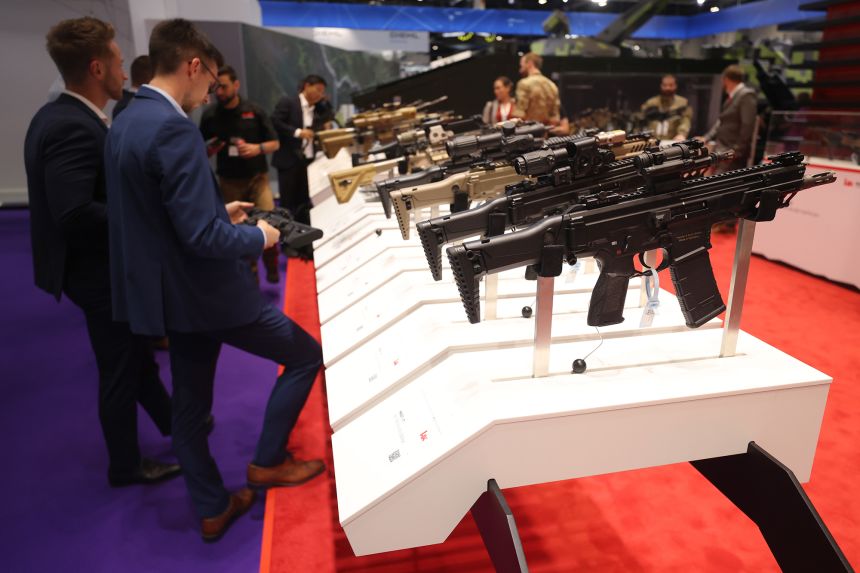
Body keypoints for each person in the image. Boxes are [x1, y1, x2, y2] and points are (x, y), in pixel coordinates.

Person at [105, 18, 325, 542]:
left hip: (171, 296)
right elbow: (203, 241)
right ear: (193, 66)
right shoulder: (174, 127)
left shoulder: (126, 119)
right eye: (209, 81)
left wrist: (215, 209)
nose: (210, 92)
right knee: (304, 355)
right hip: (209, 292)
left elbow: (150, 215)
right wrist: (263, 237)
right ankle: (268, 461)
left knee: (189, 408)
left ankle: (211, 505)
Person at [24, 17, 178, 487]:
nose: (124, 71)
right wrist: (142, 215)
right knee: (119, 368)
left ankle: (176, 422)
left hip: (95, 270)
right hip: (95, 274)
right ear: (96, 67)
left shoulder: (61, 116)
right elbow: (73, 211)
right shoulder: (72, 126)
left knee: (133, 354)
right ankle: (126, 467)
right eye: (115, 61)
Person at [200, 65, 281, 284]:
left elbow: (275, 143)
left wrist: (257, 149)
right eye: (216, 87)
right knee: (237, 231)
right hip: (229, 183)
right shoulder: (210, 116)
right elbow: (198, 151)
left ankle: (272, 268)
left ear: (236, 85)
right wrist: (211, 149)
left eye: (224, 87)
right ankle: (249, 277)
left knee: (270, 220)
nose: (219, 92)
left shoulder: (254, 111)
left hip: (258, 180)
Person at [271, 75, 327, 228]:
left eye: (322, 92)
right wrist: (297, 132)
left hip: (307, 161)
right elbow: (275, 121)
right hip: (289, 160)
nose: (319, 95)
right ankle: (288, 238)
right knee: (288, 203)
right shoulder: (288, 102)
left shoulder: (318, 108)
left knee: (304, 202)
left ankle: (304, 236)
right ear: (307, 86)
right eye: (318, 90)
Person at [701, 64, 758, 173]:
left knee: (720, 186)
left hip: (732, 155)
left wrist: (737, 151)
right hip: (722, 152)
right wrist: (706, 137)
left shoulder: (746, 95)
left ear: (726, 79)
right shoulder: (733, 96)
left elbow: (747, 125)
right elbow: (722, 121)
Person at [639, 74, 692, 141]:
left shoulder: (682, 103)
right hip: (652, 140)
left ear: (675, 86)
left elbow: (685, 120)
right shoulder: (651, 103)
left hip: (673, 141)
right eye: (665, 85)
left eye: (671, 85)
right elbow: (641, 120)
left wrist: (681, 134)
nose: (667, 88)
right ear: (661, 86)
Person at [513, 52, 560, 126]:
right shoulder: (552, 85)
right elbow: (555, 118)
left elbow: (520, 115)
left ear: (529, 63)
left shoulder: (524, 83)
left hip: (526, 134)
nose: (520, 69)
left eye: (522, 65)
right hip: (544, 134)